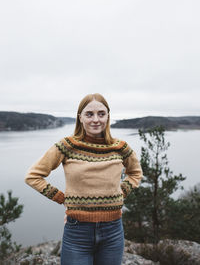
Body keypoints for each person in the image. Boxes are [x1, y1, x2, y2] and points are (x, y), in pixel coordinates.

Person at [25, 93, 143, 265]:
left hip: (113, 232)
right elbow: (33, 176)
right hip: (77, 233)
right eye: (89, 114)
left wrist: (120, 193)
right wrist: (62, 198)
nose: (96, 119)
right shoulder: (67, 145)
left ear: (108, 116)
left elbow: (136, 173)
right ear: (80, 117)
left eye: (101, 114)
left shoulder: (121, 147)